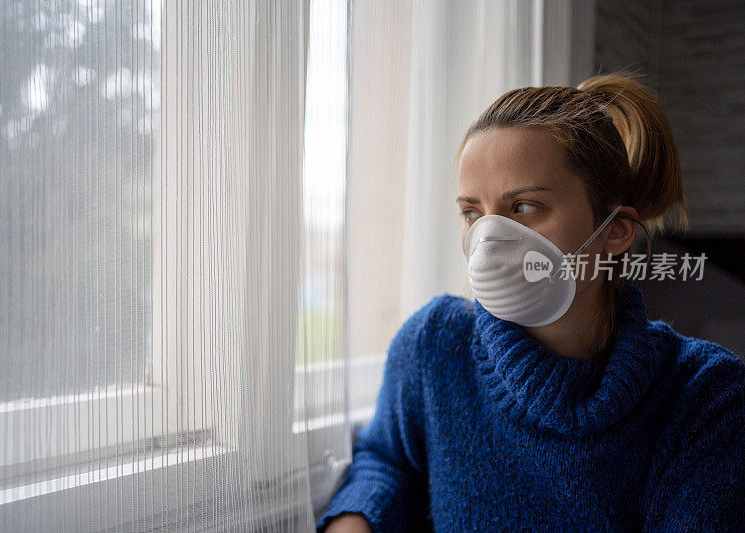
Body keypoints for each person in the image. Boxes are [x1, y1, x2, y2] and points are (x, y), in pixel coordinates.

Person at [316, 72, 745, 532]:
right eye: (472, 213)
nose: (489, 240)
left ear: (616, 231)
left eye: (523, 206)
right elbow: (386, 463)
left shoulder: (707, 398)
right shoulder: (435, 343)